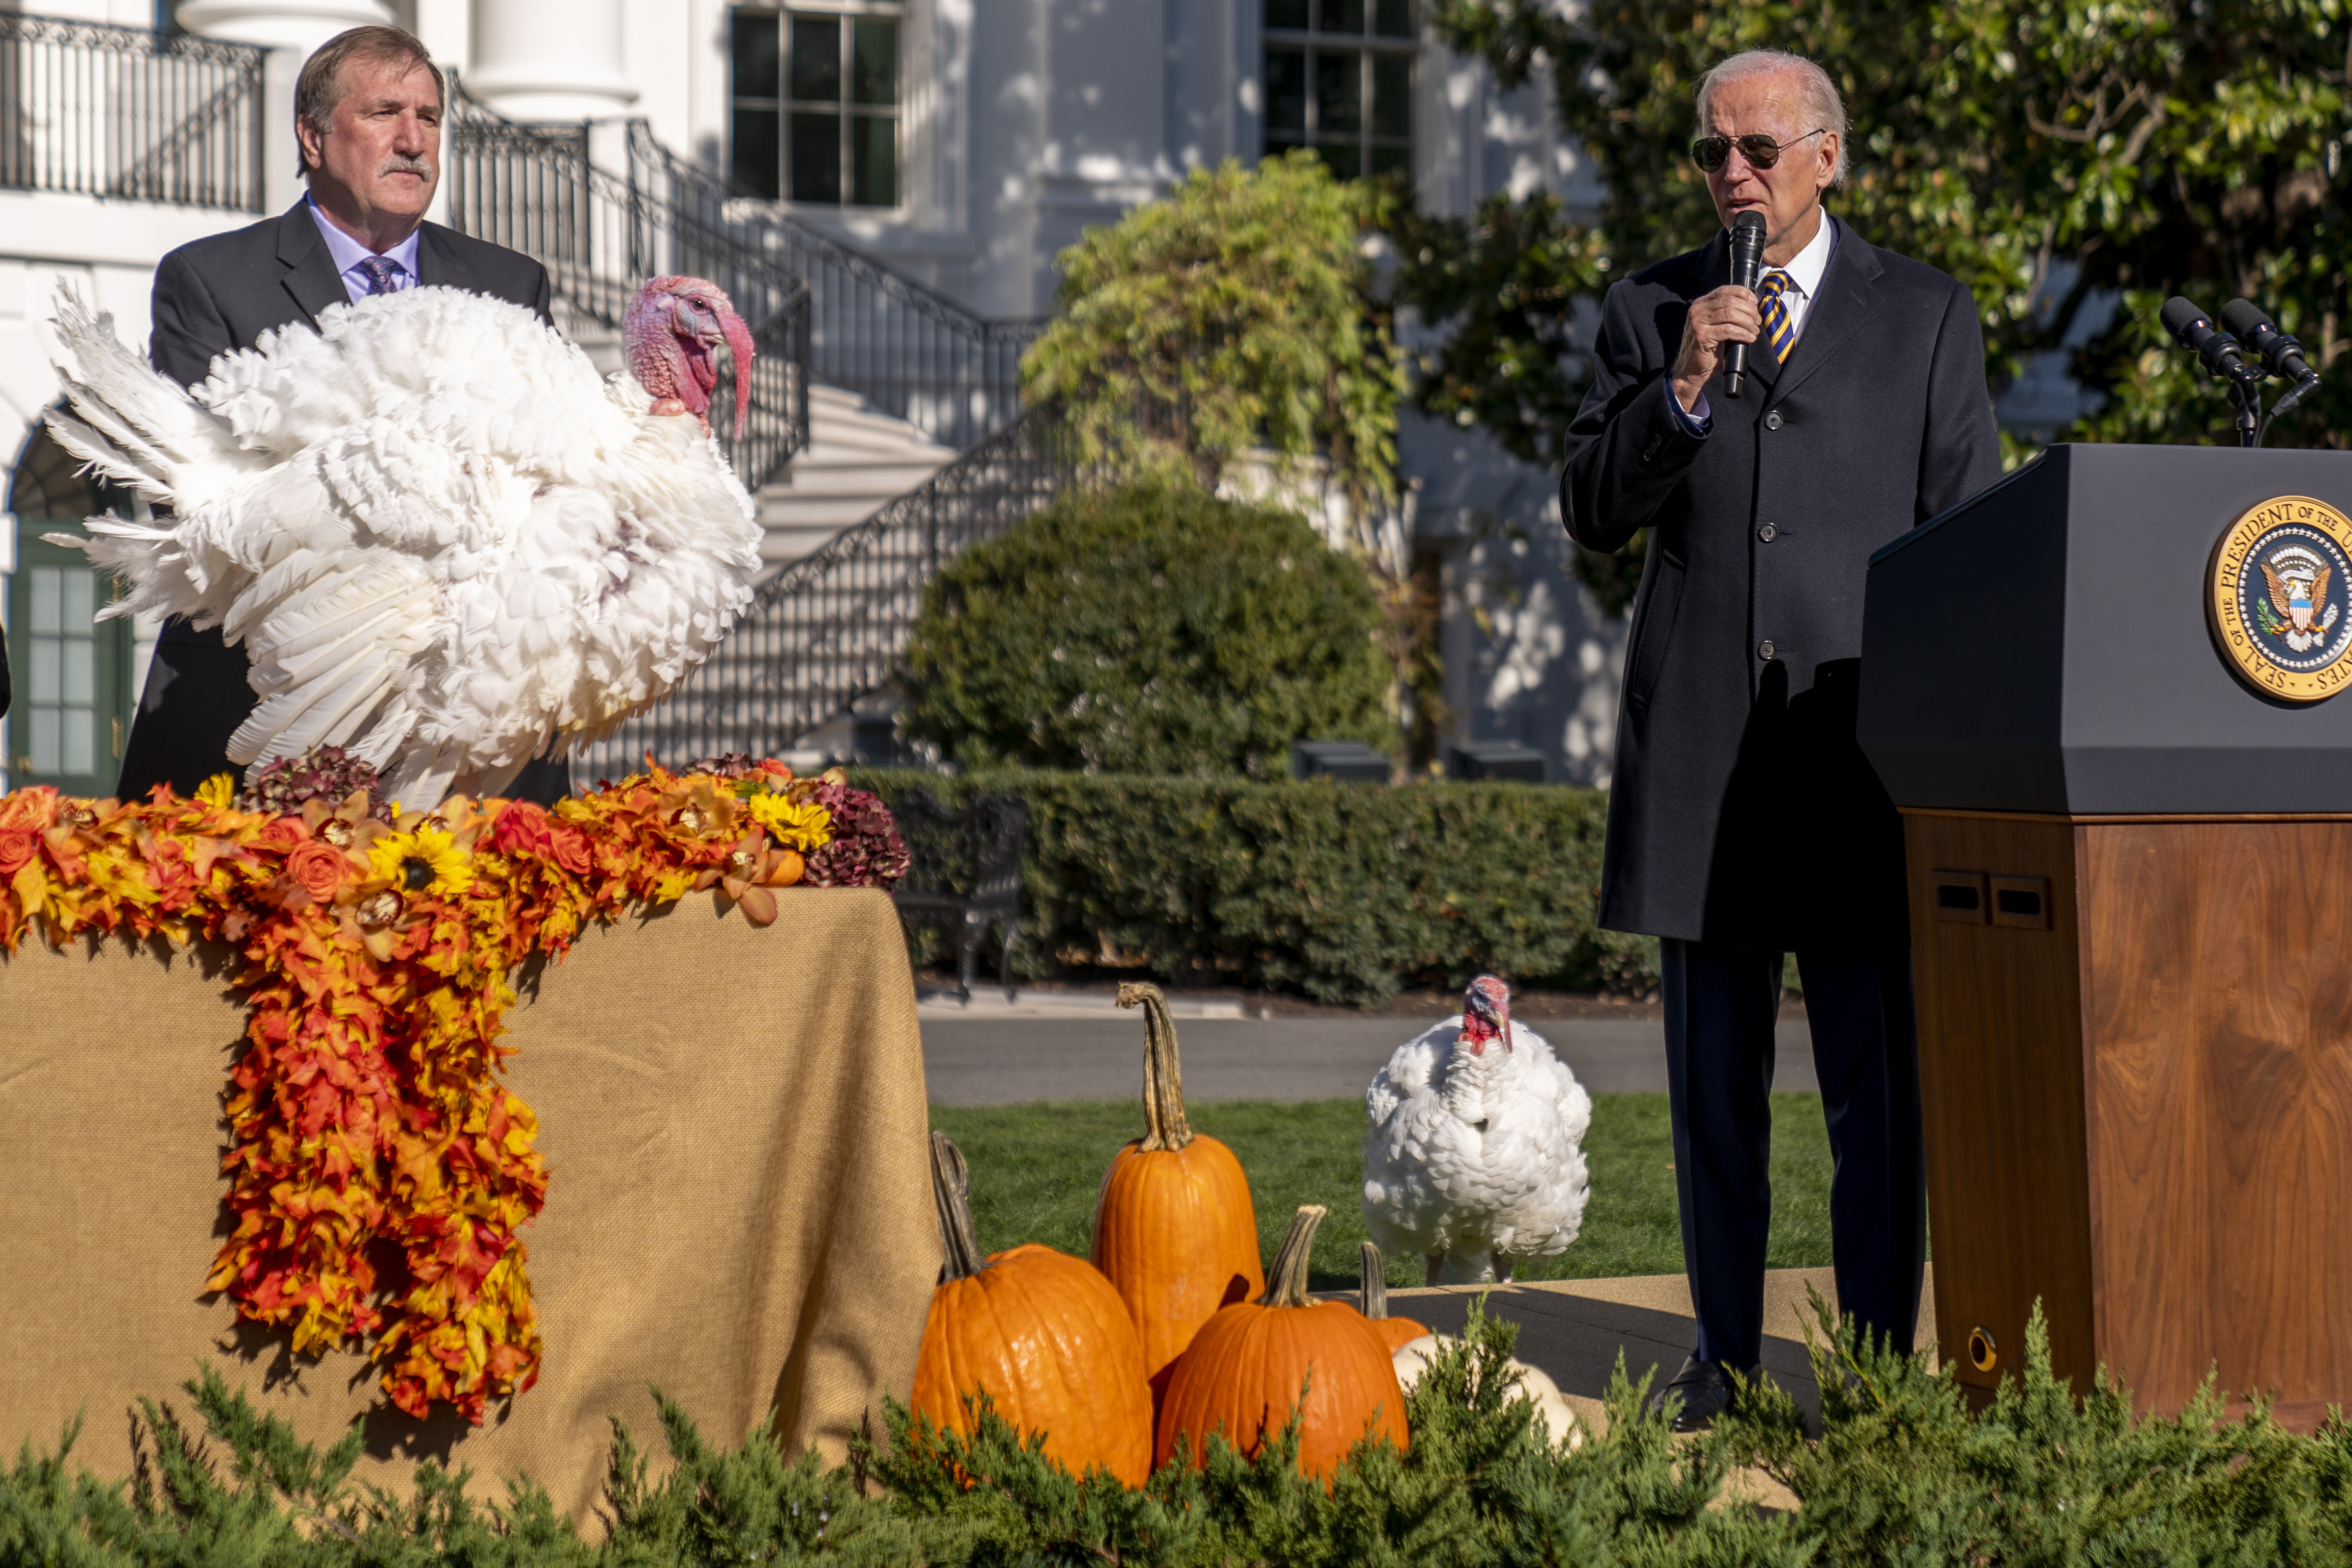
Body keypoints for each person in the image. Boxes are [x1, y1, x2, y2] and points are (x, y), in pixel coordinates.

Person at [1559, 49, 2000, 1430]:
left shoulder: (1926, 316)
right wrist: (1684, 387)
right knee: (1713, 1102)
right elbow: (1591, 505)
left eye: (1758, 148)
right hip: (1704, 758)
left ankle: (1872, 1366)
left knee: (1884, 1106)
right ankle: (1724, 1358)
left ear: (1827, 157)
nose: (1732, 174)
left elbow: (1964, 549)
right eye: (1712, 153)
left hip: (1861, 764)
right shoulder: (1652, 308)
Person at [117, 25, 570, 805]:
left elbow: (557, 483)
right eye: (384, 113)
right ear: (314, 135)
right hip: (265, 707)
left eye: (429, 118)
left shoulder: (509, 283)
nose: (413, 141)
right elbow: (192, 496)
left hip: (469, 727)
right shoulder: (214, 279)